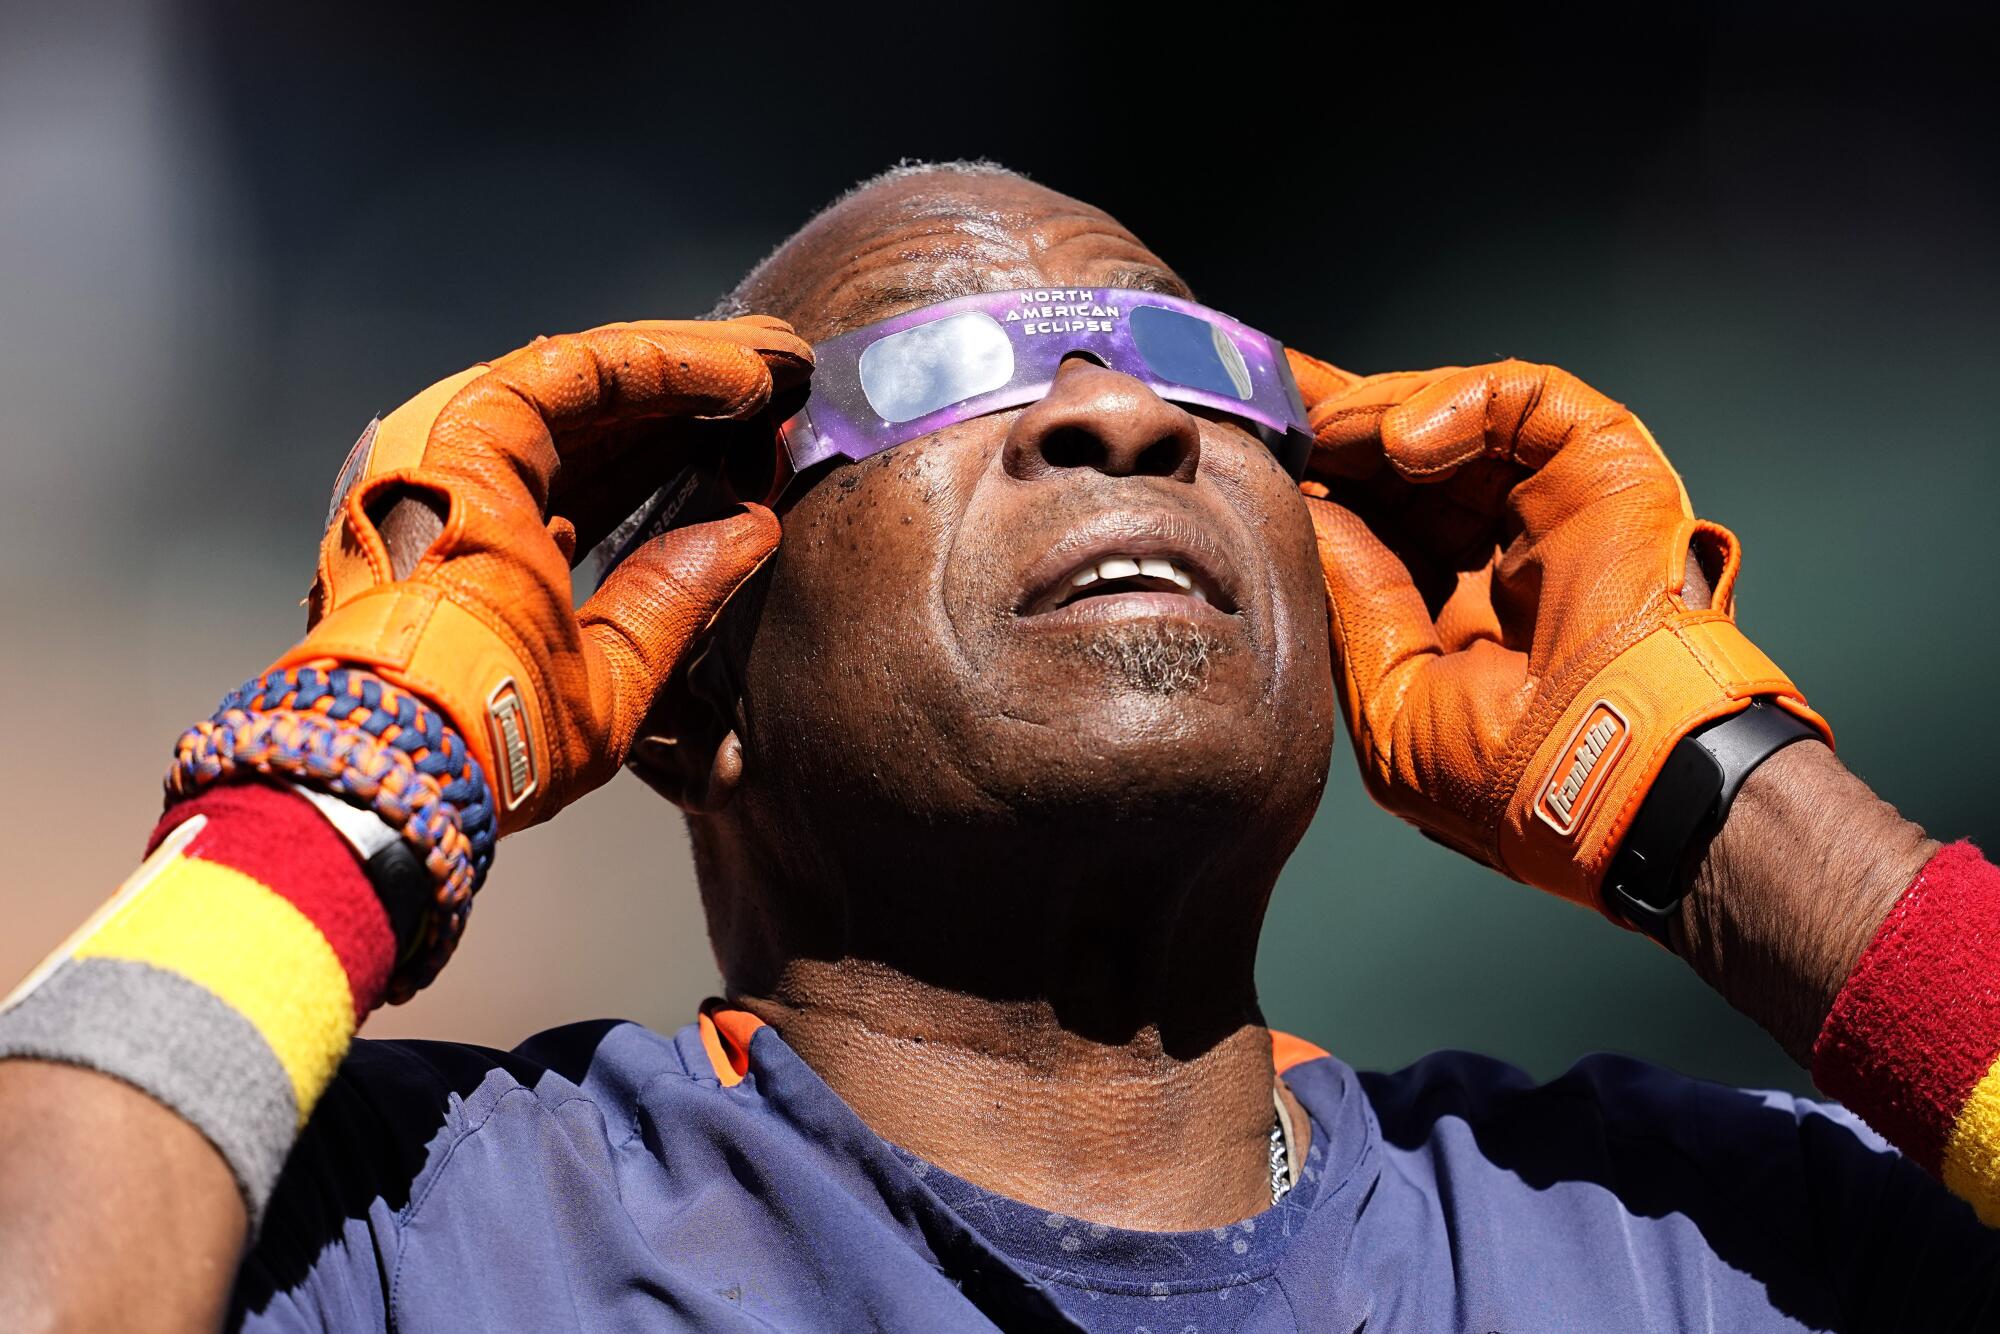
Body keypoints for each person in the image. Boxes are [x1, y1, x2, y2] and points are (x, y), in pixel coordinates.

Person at [2, 159, 1997, 1332]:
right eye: (935, 374)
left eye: (1191, 369)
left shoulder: (1690, 1240)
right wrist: (357, 769)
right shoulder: (405, 1224)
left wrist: (1721, 806)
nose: (1115, 423)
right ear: (700, 677)